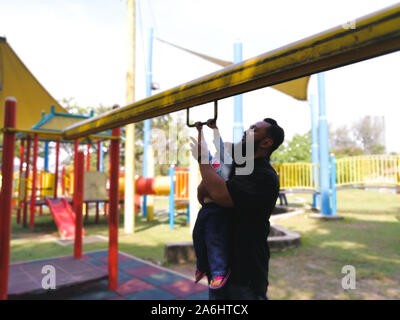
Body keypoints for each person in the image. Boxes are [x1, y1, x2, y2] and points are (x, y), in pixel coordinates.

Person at [191, 118, 284, 300]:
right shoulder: (237, 164)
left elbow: (220, 195)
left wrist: (204, 162)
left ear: (266, 143)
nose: (245, 131)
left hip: (245, 272)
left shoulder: (263, 175)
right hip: (221, 265)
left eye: (253, 130)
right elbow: (202, 192)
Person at [191, 119, 233, 290]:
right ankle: (202, 264)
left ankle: (219, 272)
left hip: (218, 209)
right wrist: (200, 131)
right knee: (198, 235)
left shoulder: (227, 165)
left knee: (215, 241)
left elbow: (219, 145)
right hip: (206, 208)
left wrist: (215, 129)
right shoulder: (211, 163)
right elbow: (203, 150)